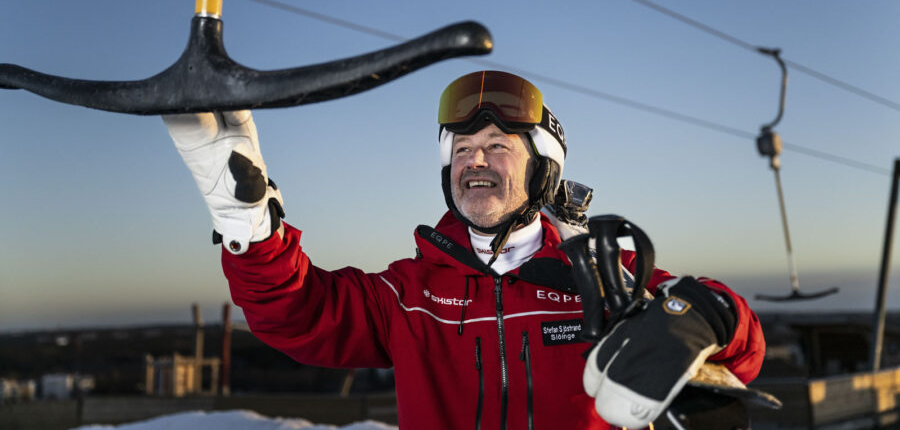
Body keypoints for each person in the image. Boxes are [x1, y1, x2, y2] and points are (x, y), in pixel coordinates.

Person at [164, 70, 764, 429]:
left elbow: (733, 338)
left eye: (498, 144)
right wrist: (248, 227)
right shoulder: (409, 293)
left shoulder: (603, 278)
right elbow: (297, 314)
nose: (475, 158)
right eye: (462, 147)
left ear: (543, 172)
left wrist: (707, 318)